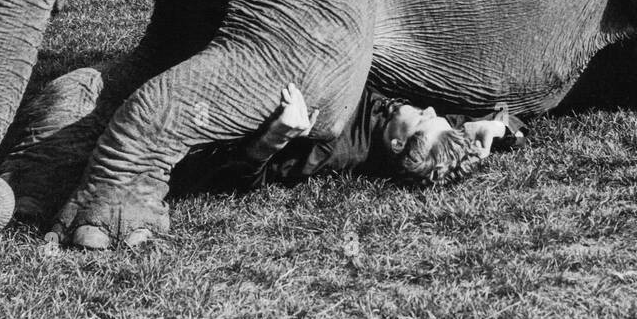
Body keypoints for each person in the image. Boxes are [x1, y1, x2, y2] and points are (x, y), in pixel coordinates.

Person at [173, 84, 525, 192]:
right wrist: (496, 126)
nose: (430, 109)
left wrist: (277, 136)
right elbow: (520, 126)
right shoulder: (432, 129)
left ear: (398, 145)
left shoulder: (334, 148)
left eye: (422, 119)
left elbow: (239, 179)